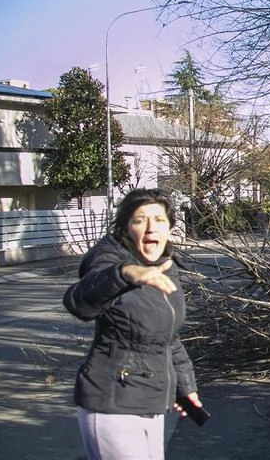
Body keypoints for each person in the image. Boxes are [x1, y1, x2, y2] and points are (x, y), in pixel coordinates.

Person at [64, 188, 202, 460]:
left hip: (150, 401)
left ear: (170, 226)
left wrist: (185, 386)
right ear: (126, 227)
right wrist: (125, 274)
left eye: (159, 220)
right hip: (112, 400)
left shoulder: (164, 264)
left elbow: (167, 336)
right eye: (140, 220)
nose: (151, 228)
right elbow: (79, 301)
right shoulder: (109, 260)